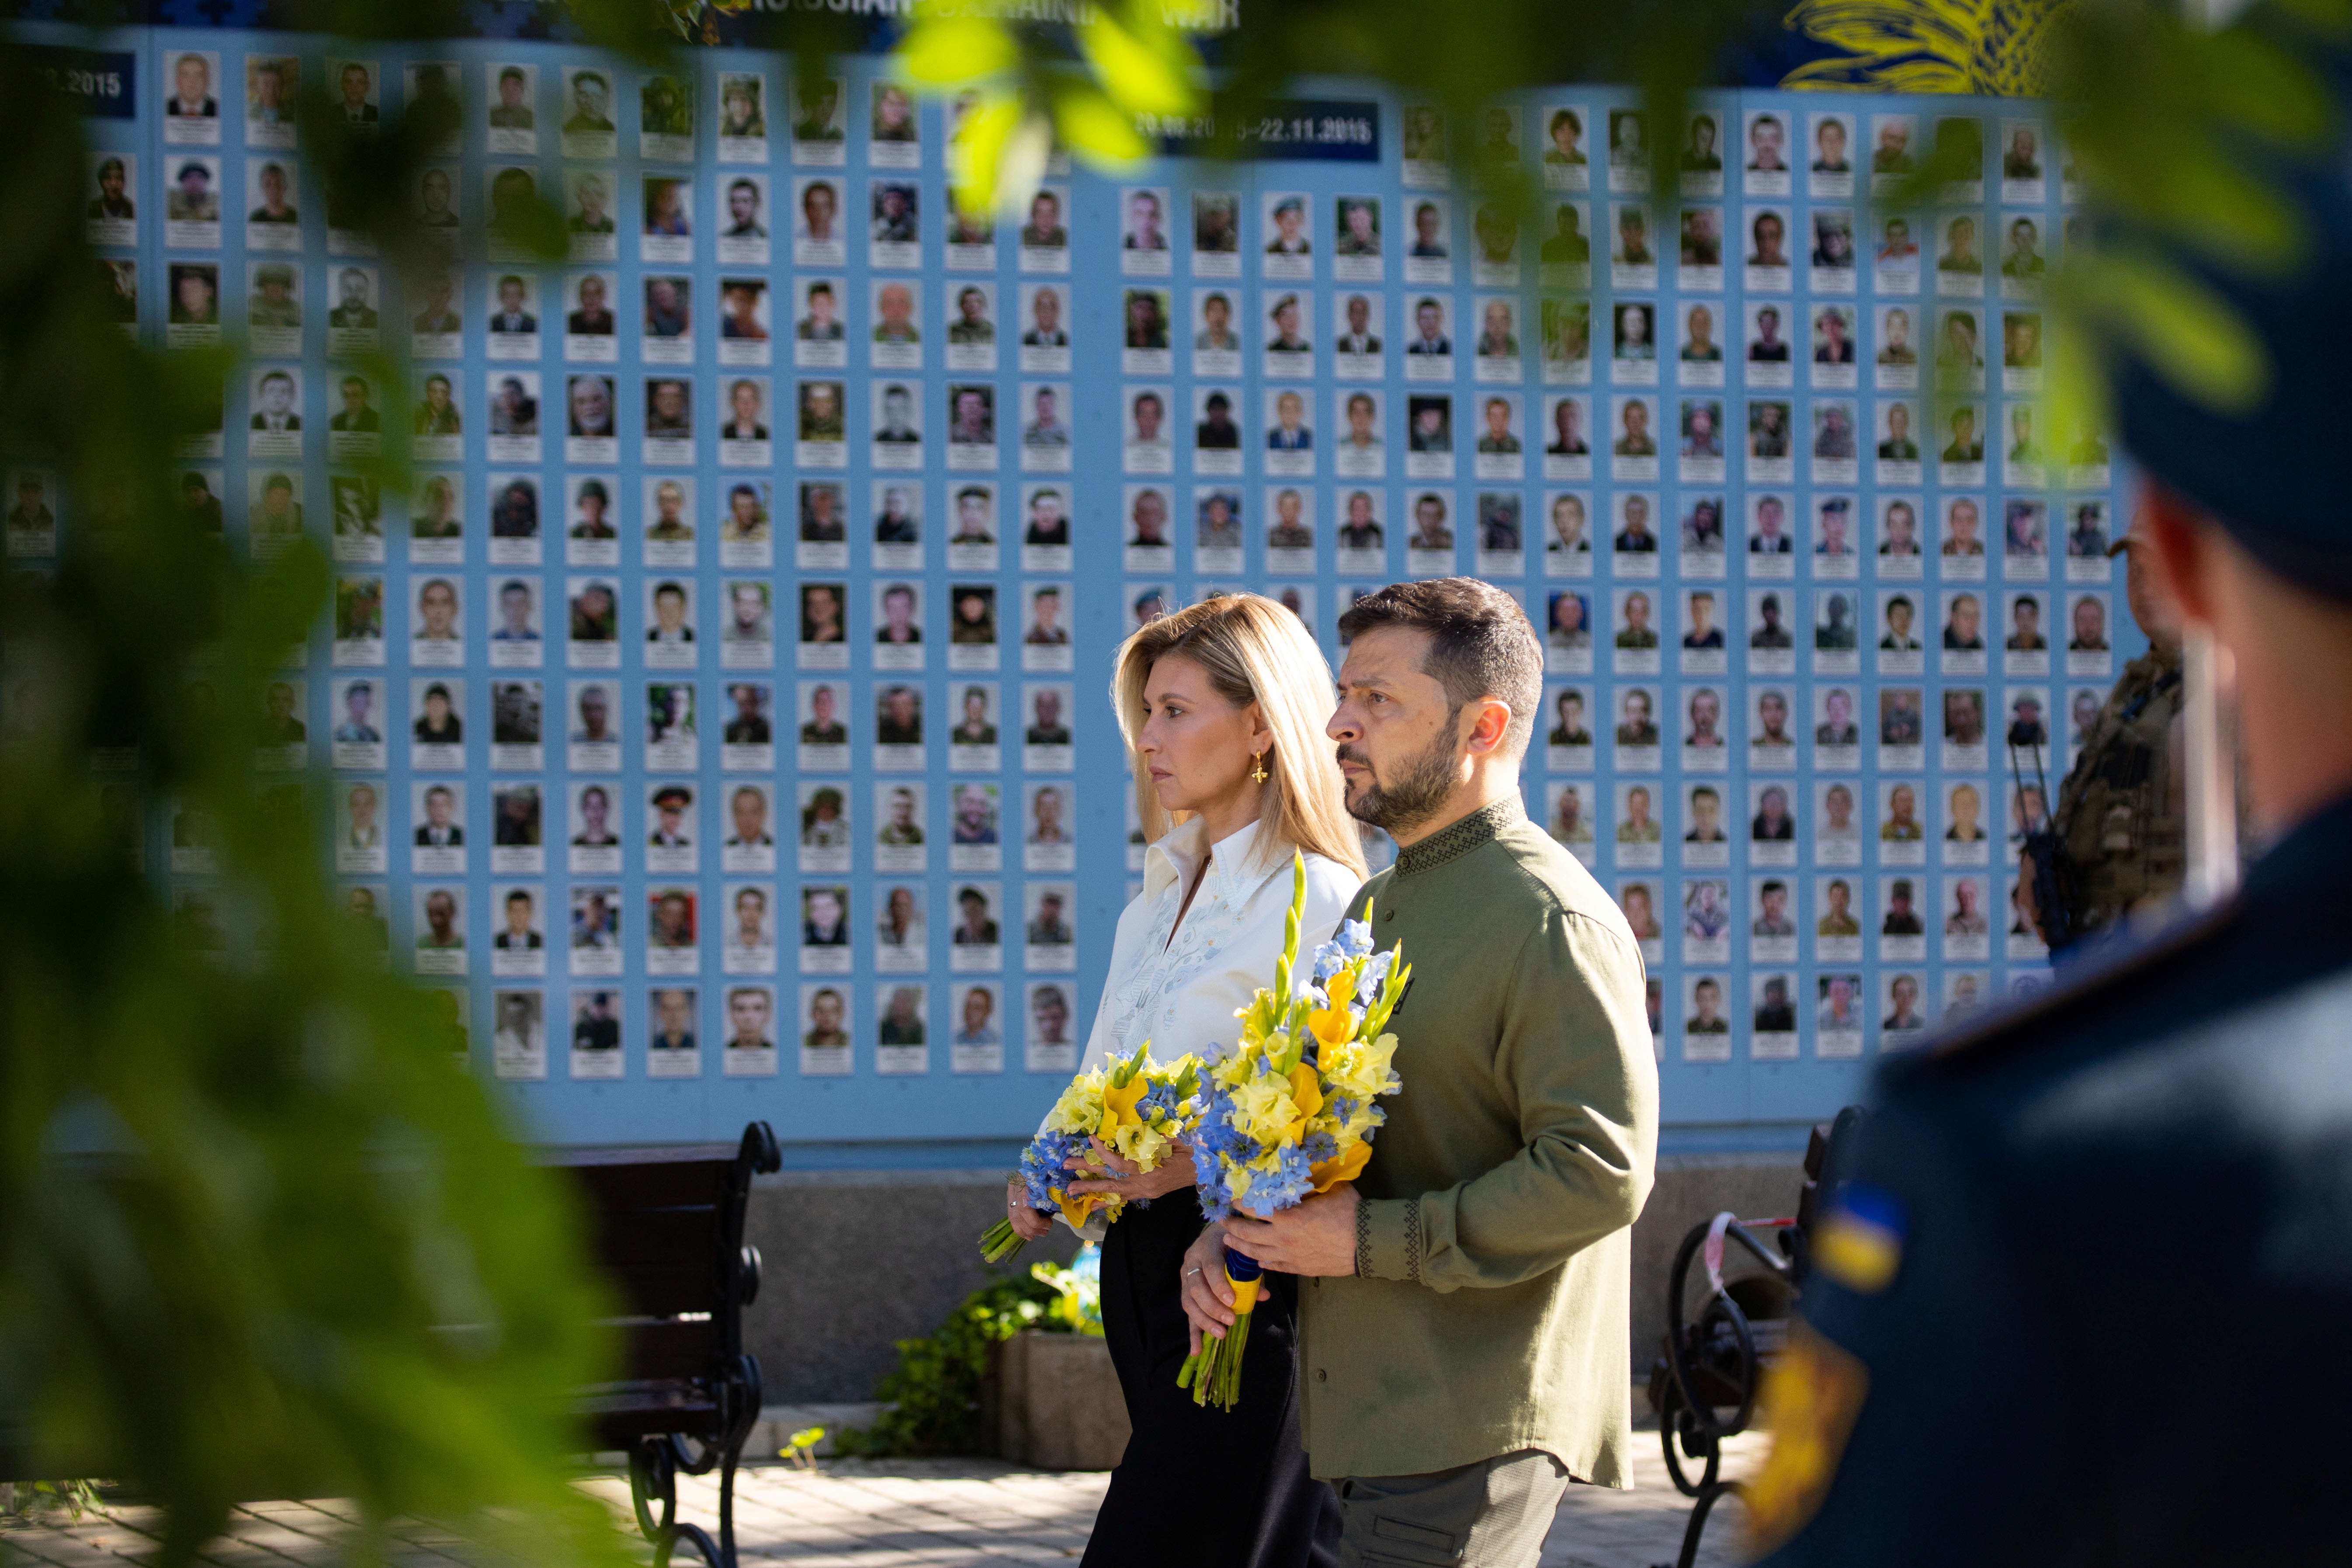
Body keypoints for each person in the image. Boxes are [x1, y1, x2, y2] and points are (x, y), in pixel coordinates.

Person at [1184, 577, 1655, 1561]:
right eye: (1344, 696)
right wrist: (1240, 1231)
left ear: (1483, 728)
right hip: (1368, 1415)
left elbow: (1599, 1170)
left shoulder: (1548, 918)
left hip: (1472, 1418)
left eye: (1378, 702)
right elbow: (1351, 1135)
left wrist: (1368, 1242)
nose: (1336, 725)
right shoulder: (1377, 905)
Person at [994, 596, 1365, 1568]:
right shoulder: (1152, 898)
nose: (1148, 742)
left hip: (1245, 1283)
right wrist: (1054, 1163)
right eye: (1145, 714)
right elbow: (1104, 1074)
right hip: (1143, 1273)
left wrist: (1193, 1173)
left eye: (1175, 712)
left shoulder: (1319, 898)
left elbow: (1335, 1116)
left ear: (1258, 727)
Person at [2019, 511, 2186, 950]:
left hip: (2168, 947)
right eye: (2136, 573)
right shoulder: (2135, 686)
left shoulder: (2222, 686)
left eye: (2159, 571)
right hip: (2104, 942)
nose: (2145, 590)